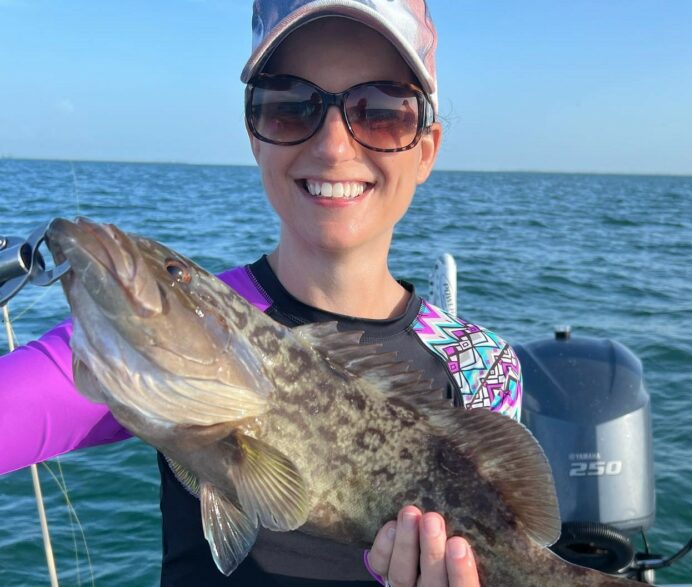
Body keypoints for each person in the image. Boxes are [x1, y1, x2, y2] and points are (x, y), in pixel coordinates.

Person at [0, 1, 523, 585]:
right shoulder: (143, 345)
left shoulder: (481, 365)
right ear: (255, 135)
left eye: (380, 112)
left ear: (425, 149)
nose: (333, 147)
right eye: (290, 106)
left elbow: (515, 530)